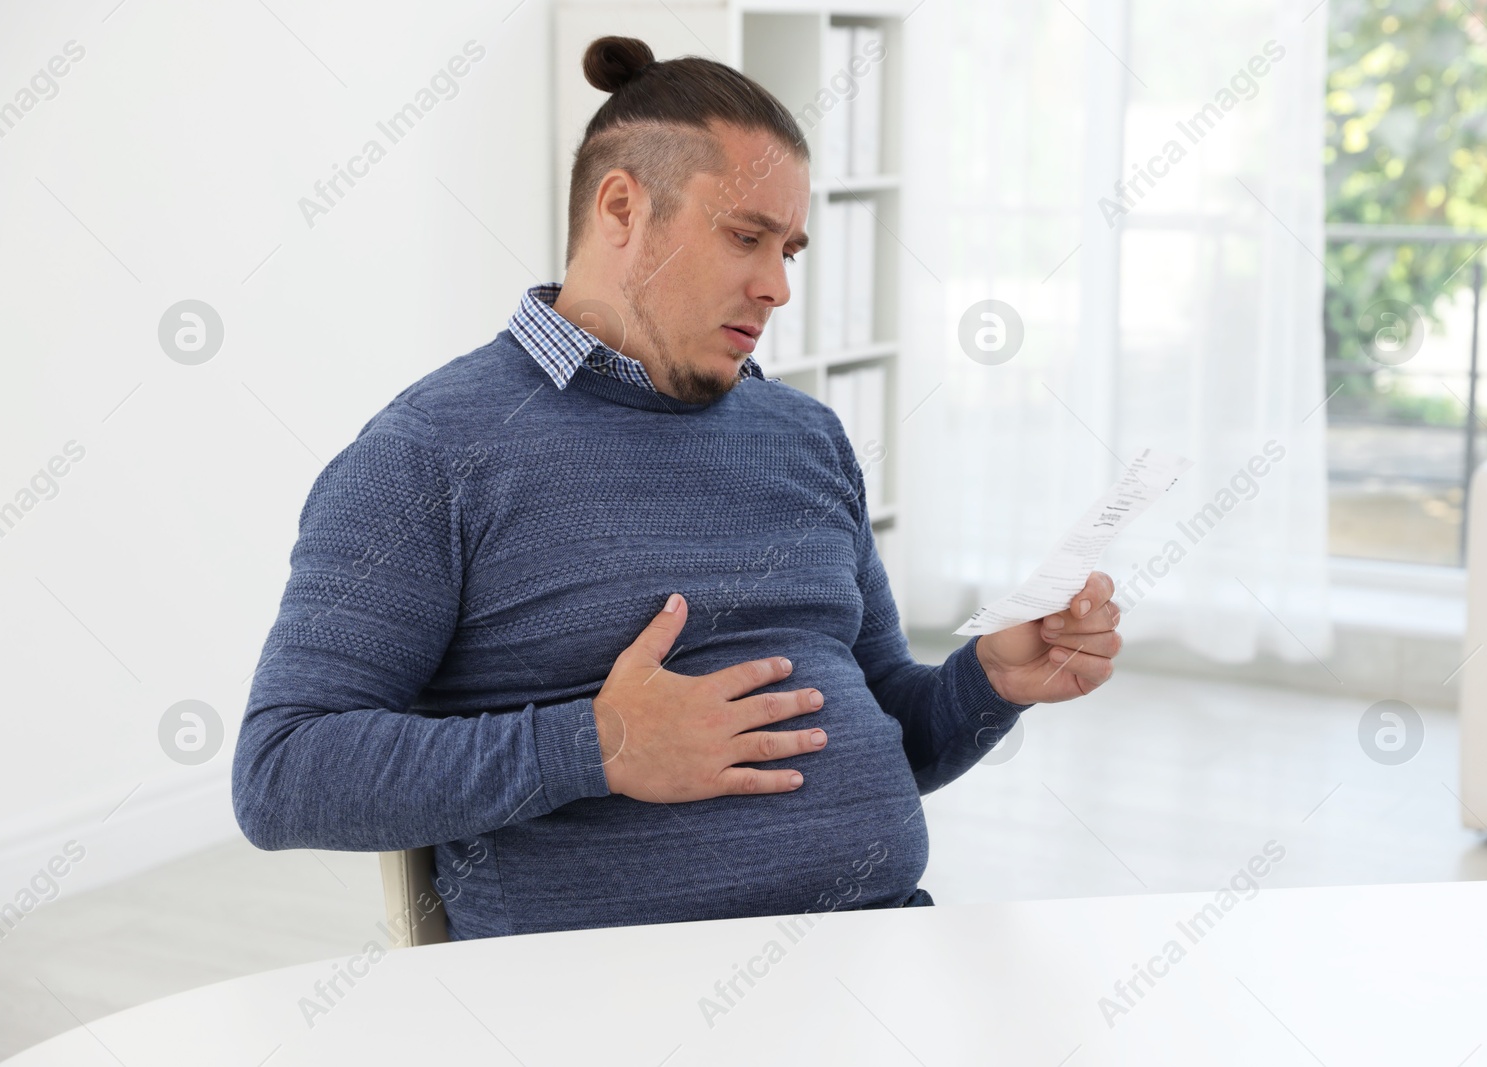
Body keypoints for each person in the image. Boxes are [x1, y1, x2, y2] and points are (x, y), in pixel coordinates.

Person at [230, 35, 1122, 939]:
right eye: (745, 236)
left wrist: (992, 682)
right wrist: (598, 745)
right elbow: (281, 773)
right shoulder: (430, 454)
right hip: (606, 1004)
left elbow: (891, 723)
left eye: (791, 250)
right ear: (622, 206)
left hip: (878, 954)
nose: (776, 287)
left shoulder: (803, 434)